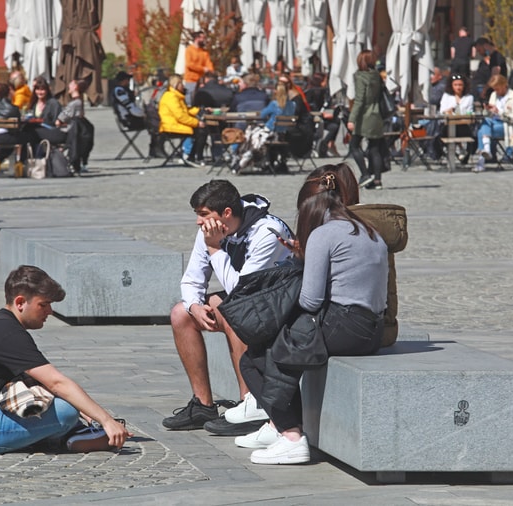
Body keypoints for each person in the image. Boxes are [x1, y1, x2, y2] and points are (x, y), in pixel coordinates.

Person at [239, 169, 387, 465]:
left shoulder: (322, 234)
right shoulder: (368, 229)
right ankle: (280, 427)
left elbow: (310, 300)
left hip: (344, 326)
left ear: (308, 210)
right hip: (374, 330)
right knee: (284, 341)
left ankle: (290, 434)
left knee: (256, 354)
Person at [0, 265, 132, 454]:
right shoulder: (9, 334)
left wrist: (90, 413)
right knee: (65, 412)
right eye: (43, 304)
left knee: (63, 405)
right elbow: (56, 382)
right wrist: (107, 421)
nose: (50, 311)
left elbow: (38, 380)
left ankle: (67, 435)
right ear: (20, 302)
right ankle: (66, 437)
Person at [162, 180, 293, 436]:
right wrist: (194, 306)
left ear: (227, 213)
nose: (199, 223)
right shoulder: (210, 230)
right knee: (180, 314)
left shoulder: (267, 232)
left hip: (281, 306)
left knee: (232, 310)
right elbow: (191, 279)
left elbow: (241, 290)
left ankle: (249, 405)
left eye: (203, 215)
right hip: (249, 301)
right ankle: (203, 405)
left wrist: (215, 248)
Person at [347, 50, 387, 190]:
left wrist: (352, 119)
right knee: (375, 148)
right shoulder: (377, 76)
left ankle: (365, 174)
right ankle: (377, 181)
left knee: (354, 145)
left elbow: (359, 100)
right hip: (377, 115)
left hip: (365, 115)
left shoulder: (361, 77)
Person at [475, 74, 513, 172]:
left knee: (481, 130)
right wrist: (487, 110)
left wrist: (499, 112)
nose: (496, 91)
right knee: (484, 125)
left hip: (507, 127)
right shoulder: (494, 95)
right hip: (493, 123)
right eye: (494, 89)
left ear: (505, 85)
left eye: (498, 89)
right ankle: (486, 150)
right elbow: (488, 115)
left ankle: (482, 159)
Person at [158, 74, 207, 166]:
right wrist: (197, 123)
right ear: (176, 85)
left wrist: (198, 110)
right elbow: (180, 116)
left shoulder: (176, 96)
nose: (183, 87)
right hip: (171, 127)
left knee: (201, 130)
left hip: (174, 124)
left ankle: (194, 156)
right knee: (201, 131)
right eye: (181, 84)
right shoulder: (171, 97)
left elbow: (184, 111)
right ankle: (194, 157)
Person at [438, 73, 476, 163]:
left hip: (463, 125)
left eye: (460, 85)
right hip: (448, 125)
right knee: (442, 133)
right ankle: (458, 151)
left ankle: (464, 152)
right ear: (451, 86)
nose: (458, 87)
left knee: (472, 134)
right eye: (455, 85)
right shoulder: (447, 96)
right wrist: (448, 111)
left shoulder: (469, 98)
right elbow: (442, 110)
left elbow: (469, 111)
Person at [183, 31, 214, 104]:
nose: (204, 40)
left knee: (201, 100)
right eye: (203, 38)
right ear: (197, 38)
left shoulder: (204, 52)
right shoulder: (189, 50)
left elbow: (209, 64)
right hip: (191, 80)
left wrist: (211, 71)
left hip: (201, 81)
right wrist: (203, 69)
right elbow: (189, 64)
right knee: (190, 100)